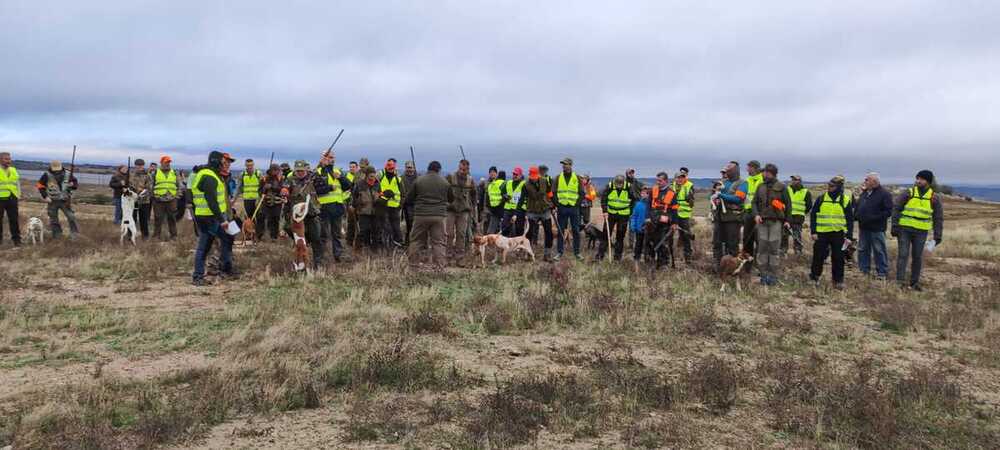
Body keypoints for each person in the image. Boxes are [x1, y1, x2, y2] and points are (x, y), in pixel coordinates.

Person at [892, 170, 943, 291]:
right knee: (903, 255)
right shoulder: (908, 193)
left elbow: (938, 217)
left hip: (921, 232)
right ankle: (899, 283)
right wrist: (894, 226)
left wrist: (938, 235)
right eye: (917, 178)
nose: (918, 181)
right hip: (904, 230)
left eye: (921, 179)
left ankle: (914, 283)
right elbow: (896, 209)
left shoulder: (934, 197)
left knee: (917, 257)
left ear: (928, 182)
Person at [191, 151, 237, 286]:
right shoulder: (209, 176)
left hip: (211, 216)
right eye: (223, 161)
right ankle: (198, 277)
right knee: (204, 247)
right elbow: (212, 201)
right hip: (208, 217)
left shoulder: (211, 174)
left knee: (227, 238)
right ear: (216, 161)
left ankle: (225, 269)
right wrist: (222, 220)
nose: (225, 164)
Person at [406, 161, 454, 269]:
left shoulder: (419, 180)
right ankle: (440, 267)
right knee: (439, 242)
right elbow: (451, 199)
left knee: (416, 241)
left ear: (428, 168)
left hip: (421, 215)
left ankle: (413, 266)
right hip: (439, 216)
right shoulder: (445, 182)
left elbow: (409, 198)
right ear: (439, 170)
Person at [809, 176, 854, 289]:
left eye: (832, 186)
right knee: (818, 257)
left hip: (838, 234)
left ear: (839, 187)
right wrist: (813, 231)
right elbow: (813, 215)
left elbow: (849, 220)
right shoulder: (821, 198)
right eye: (829, 185)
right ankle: (814, 278)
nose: (829, 187)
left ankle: (838, 281)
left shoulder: (845, 200)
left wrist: (849, 236)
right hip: (821, 233)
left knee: (838, 258)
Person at [282, 160, 329, 269]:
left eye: (302, 171)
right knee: (295, 237)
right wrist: (284, 191)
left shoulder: (313, 178)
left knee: (317, 239)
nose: (300, 173)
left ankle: (318, 264)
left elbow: (324, 187)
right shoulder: (290, 180)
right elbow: (285, 188)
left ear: (306, 170)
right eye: (298, 171)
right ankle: (300, 264)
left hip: (312, 214)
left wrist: (322, 168)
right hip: (297, 216)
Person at [751, 163, 790, 286]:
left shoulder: (782, 187)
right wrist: (756, 215)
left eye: (766, 172)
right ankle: (763, 275)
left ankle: (772, 276)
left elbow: (788, 205)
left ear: (771, 173)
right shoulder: (760, 186)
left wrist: (788, 220)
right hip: (762, 222)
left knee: (773, 249)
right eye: (764, 172)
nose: (764, 174)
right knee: (762, 248)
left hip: (776, 222)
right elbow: (754, 203)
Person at [855, 172, 894, 279]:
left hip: (877, 229)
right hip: (863, 227)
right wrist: (857, 215)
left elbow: (888, 211)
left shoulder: (885, 194)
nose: (865, 181)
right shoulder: (865, 193)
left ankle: (882, 273)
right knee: (863, 249)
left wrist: (873, 218)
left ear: (874, 181)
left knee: (879, 250)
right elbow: (859, 206)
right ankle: (864, 271)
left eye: (867, 180)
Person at [316, 151, 352, 262]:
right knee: (323, 234)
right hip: (324, 208)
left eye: (332, 157)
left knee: (337, 234)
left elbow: (348, 186)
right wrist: (329, 188)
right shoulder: (318, 172)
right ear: (323, 158)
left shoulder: (338, 171)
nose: (330, 159)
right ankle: (320, 257)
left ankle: (338, 255)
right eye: (328, 157)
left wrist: (341, 178)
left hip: (337, 208)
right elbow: (317, 190)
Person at [711, 161, 747, 266]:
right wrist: (715, 198)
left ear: (735, 171)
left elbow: (738, 198)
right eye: (726, 168)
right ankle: (718, 266)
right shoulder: (724, 183)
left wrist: (721, 196)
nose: (727, 170)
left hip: (733, 218)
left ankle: (732, 267)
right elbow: (714, 195)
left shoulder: (743, 183)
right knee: (717, 243)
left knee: (732, 245)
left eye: (729, 169)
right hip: (719, 217)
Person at [36, 160, 80, 239]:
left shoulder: (68, 173)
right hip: (52, 201)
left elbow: (75, 184)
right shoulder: (46, 174)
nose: (56, 171)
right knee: (53, 219)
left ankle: (75, 235)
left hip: (65, 200)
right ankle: (57, 236)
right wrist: (45, 196)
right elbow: (40, 185)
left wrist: (73, 185)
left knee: (71, 217)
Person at [553, 157, 585, 261]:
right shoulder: (558, 177)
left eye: (566, 164)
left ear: (571, 165)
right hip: (562, 208)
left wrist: (576, 204)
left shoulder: (577, 178)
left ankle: (577, 252)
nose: (564, 166)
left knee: (576, 230)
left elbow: (582, 193)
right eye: (563, 164)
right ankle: (559, 252)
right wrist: (557, 204)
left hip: (574, 208)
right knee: (561, 230)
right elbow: (553, 193)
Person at [521, 166, 555, 261]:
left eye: (535, 176)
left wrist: (553, 204)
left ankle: (547, 255)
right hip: (532, 211)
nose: (534, 178)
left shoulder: (545, 181)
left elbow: (549, 193)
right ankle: (528, 254)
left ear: (538, 175)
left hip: (545, 209)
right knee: (529, 234)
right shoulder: (526, 185)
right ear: (529, 175)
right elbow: (522, 199)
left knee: (549, 233)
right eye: (532, 176)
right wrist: (519, 211)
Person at [597, 175, 634, 261]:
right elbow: (604, 199)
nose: (618, 186)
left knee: (620, 237)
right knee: (605, 235)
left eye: (620, 184)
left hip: (624, 216)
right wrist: (605, 211)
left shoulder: (629, 187)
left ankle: (617, 257)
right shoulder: (610, 186)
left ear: (623, 183)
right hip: (611, 214)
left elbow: (634, 200)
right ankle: (600, 255)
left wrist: (631, 212)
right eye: (617, 184)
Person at [446, 159, 476, 265]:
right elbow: (445, 190)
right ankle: (447, 257)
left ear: (468, 169)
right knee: (449, 234)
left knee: (461, 234)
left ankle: (460, 258)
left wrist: (472, 208)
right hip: (450, 210)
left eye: (465, 169)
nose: (462, 171)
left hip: (464, 211)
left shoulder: (470, 180)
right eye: (461, 168)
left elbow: (474, 194)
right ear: (458, 167)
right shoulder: (450, 177)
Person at [645, 172, 678, 269]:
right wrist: (647, 217)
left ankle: (663, 265)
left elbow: (674, 209)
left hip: (665, 224)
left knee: (663, 244)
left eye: (660, 180)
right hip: (652, 221)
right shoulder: (653, 190)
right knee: (650, 242)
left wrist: (674, 223)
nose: (658, 182)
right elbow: (648, 205)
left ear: (666, 181)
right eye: (657, 180)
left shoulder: (672, 193)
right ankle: (649, 262)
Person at [351, 166, 382, 253]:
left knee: (376, 231)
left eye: (374, 175)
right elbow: (354, 196)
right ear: (367, 175)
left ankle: (375, 250)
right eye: (371, 176)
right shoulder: (359, 184)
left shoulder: (377, 184)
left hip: (375, 211)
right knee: (363, 231)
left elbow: (380, 195)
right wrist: (354, 206)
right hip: (363, 211)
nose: (372, 177)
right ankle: (358, 249)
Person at [377, 159, 405, 249]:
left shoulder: (398, 179)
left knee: (396, 227)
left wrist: (400, 205)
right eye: (389, 166)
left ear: (395, 167)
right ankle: (385, 245)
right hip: (383, 206)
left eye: (392, 166)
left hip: (395, 208)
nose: (391, 168)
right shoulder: (381, 176)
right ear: (386, 166)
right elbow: (376, 190)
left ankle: (398, 244)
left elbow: (403, 193)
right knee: (385, 227)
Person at [782, 175, 811, 255]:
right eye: (793, 179)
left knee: (797, 236)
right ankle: (783, 251)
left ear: (800, 181)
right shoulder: (787, 190)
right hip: (786, 216)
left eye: (796, 180)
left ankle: (798, 252)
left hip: (798, 217)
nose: (794, 181)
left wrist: (802, 212)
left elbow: (809, 205)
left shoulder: (805, 192)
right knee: (784, 235)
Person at [152, 156, 180, 240]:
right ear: (161, 163)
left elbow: (179, 185)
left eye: (169, 162)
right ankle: (156, 236)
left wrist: (176, 195)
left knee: (172, 218)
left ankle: (174, 236)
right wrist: (154, 196)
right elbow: (150, 186)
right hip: (158, 200)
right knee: (158, 218)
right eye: (166, 162)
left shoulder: (174, 172)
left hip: (172, 199)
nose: (167, 164)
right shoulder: (155, 172)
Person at [671, 171, 695, 263]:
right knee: (668, 236)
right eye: (678, 177)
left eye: (682, 177)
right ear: (675, 178)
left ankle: (688, 258)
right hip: (672, 214)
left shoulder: (689, 186)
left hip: (684, 215)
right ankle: (670, 257)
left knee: (685, 236)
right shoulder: (671, 186)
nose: (680, 179)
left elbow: (691, 203)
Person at [742, 160, 764, 257]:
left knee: (759, 239)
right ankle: (747, 262)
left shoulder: (763, 180)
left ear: (754, 168)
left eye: (748, 167)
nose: (747, 169)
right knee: (747, 239)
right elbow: (744, 196)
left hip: (760, 213)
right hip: (748, 213)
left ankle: (759, 263)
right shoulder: (747, 180)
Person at [0, 151, 21, 246]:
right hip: (0, 198)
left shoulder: (13, 169)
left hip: (12, 198)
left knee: (14, 220)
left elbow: (17, 184)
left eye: (9, 158)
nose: (9, 161)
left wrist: (18, 195)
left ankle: (17, 240)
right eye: (6, 159)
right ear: (0, 160)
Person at [259, 164, 285, 240]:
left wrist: (272, 187)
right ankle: (261, 235)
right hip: (266, 203)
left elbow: (282, 190)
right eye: (276, 170)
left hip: (277, 203)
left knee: (276, 219)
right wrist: (264, 188)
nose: (278, 172)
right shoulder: (264, 179)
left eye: (278, 170)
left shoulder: (281, 179)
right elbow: (260, 191)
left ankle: (274, 236)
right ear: (272, 170)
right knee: (265, 218)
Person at [130, 158, 153, 240]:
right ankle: (130, 235)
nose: (139, 167)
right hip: (132, 201)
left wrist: (141, 193)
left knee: (143, 219)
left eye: (141, 165)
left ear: (143, 165)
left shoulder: (148, 175)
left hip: (144, 201)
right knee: (132, 219)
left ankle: (145, 236)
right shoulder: (131, 174)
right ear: (135, 165)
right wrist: (132, 193)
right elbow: (128, 186)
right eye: (138, 165)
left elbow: (149, 188)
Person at [500, 167, 527, 237]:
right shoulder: (508, 183)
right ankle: (505, 242)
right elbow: (502, 192)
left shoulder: (524, 184)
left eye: (516, 174)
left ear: (521, 175)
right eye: (514, 174)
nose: (514, 176)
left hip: (520, 209)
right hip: (508, 208)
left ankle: (519, 243)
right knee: (505, 226)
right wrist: (504, 196)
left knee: (519, 228)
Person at [629, 187, 650, 262]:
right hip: (639, 228)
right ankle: (636, 258)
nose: (643, 195)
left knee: (648, 244)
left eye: (645, 193)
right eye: (642, 193)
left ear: (649, 194)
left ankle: (648, 258)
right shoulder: (638, 204)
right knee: (638, 243)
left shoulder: (651, 205)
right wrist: (633, 225)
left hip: (649, 229)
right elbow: (634, 216)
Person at [238, 158, 262, 223]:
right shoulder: (242, 174)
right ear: (245, 165)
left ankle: (258, 231)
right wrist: (234, 199)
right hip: (247, 199)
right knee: (249, 217)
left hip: (257, 199)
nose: (249, 167)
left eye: (251, 165)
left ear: (253, 165)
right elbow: (239, 187)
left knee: (258, 216)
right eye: (248, 165)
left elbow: (262, 186)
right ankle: (250, 230)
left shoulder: (258, 173)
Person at [401, 160, 419, 246]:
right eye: (408, 167)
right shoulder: (401, 178)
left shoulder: (418, 178)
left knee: (417, 225)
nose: (409, 169)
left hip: (417, 204)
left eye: (411, 167)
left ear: (414, 168)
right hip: (407, 204)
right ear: (405, 168)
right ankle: (408, 243)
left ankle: (416, 242)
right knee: (409, 224)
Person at [486, 169, 506, 234]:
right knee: (503, 228)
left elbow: (488, 197)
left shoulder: (491, 184)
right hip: (502, 208)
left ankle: (488, 240)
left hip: (493, 208)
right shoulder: (505, 184)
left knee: (491, 228)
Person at [345, 160, 360, 246]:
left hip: (358, 204)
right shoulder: (346, 176)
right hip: (349, 202)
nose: (352, 168)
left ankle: (358, 242)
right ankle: (349, 242)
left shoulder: (360, 177)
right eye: (350, 167)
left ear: (357, 168)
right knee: (350, 223)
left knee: (359, 224)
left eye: (353, 167)